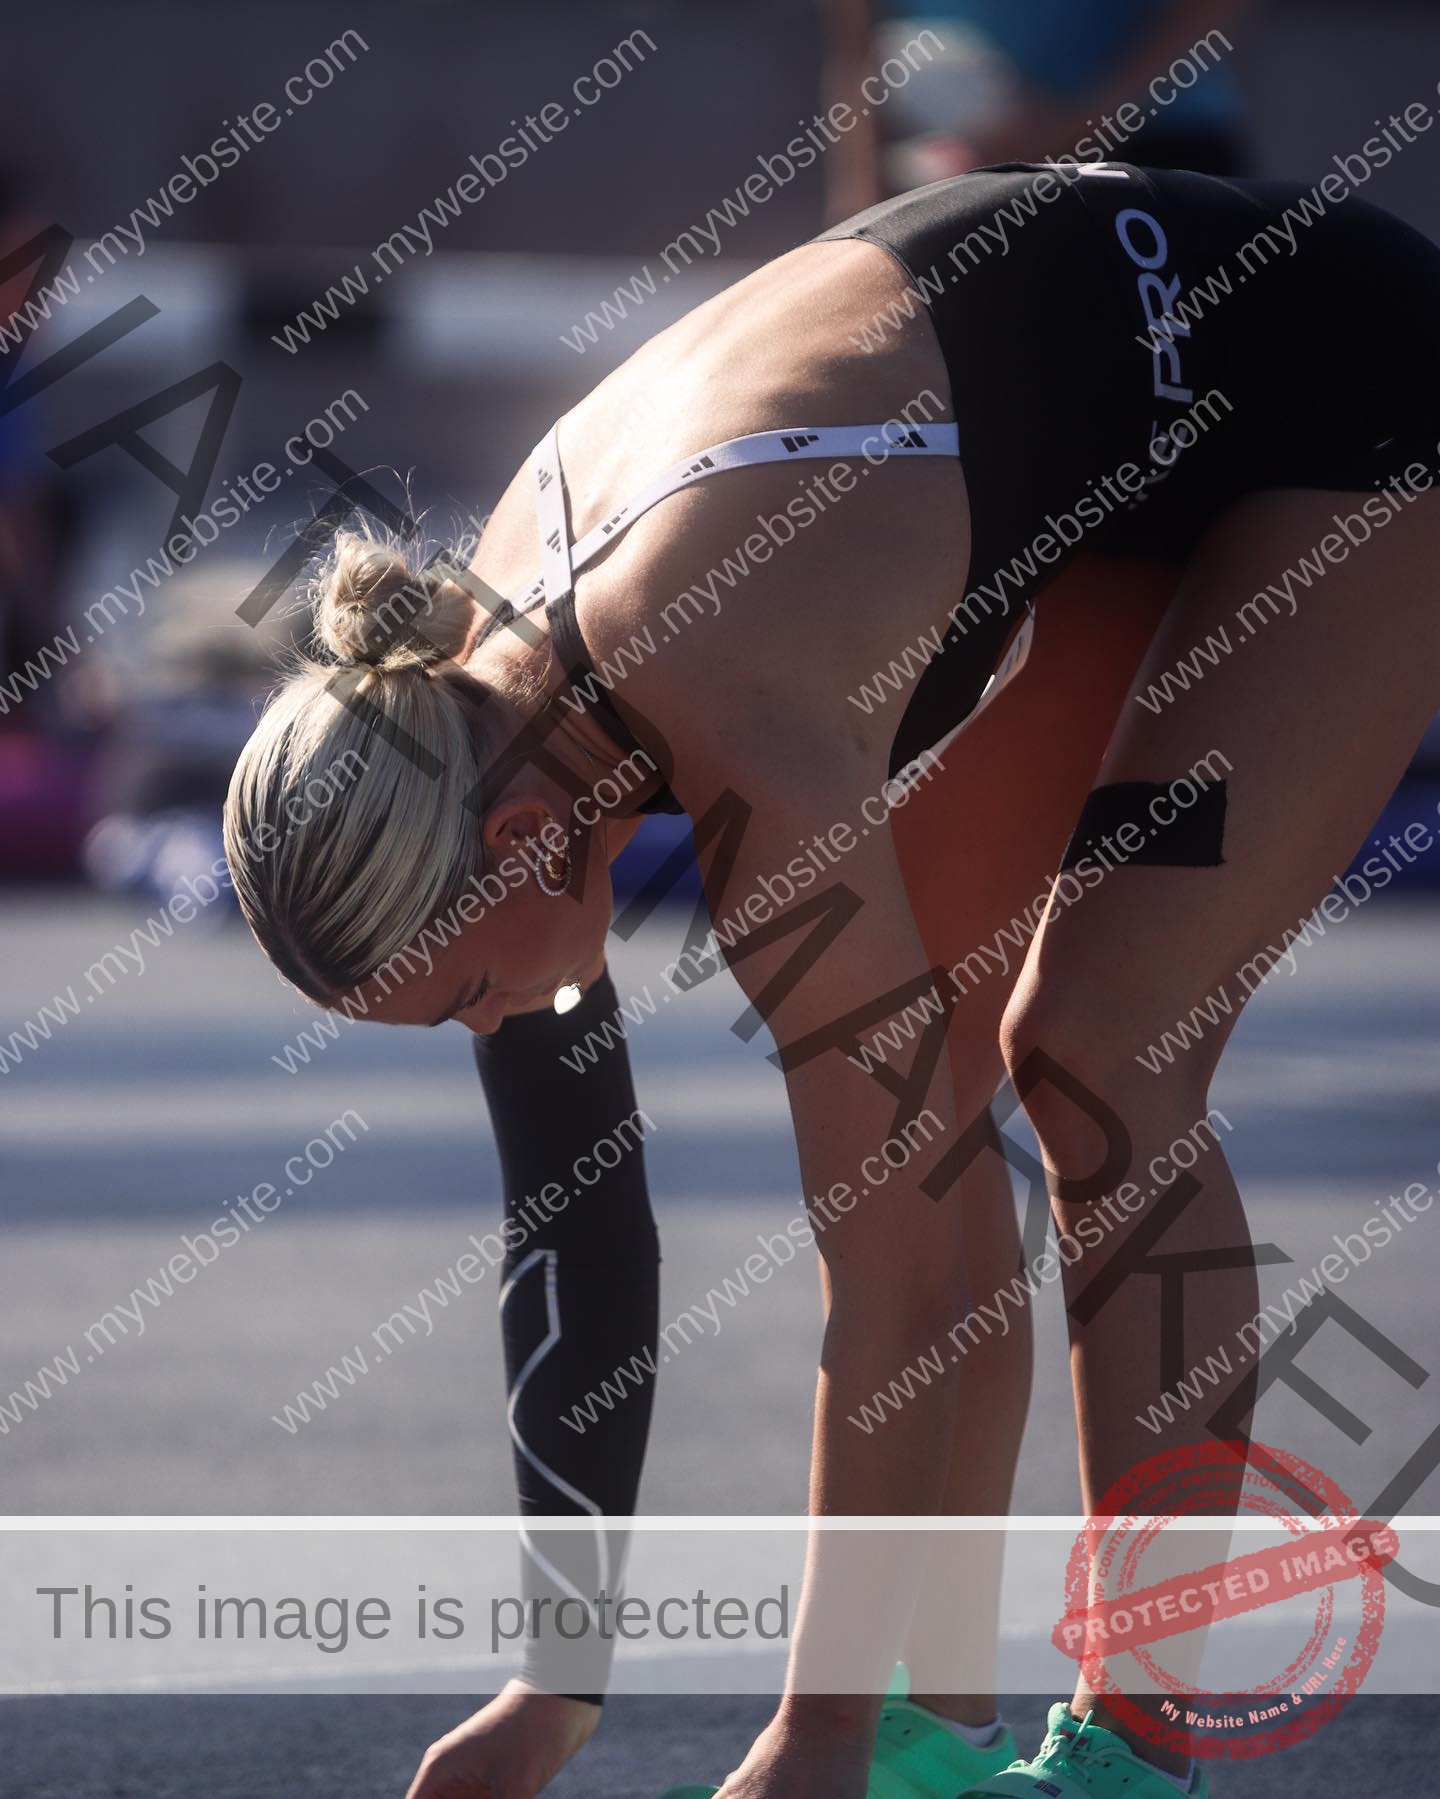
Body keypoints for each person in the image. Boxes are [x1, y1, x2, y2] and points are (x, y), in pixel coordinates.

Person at [224, 160, 1440, 1799]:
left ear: (525, 847)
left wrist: (809, 1734)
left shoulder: (728, 707)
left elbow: (898, 1300)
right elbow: (576, 1225)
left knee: (1095, 1061)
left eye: (463, 1005)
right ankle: (939, 1739)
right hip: (1114, 449)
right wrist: (555, 1688)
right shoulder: (464, 717)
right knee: (931, 1101)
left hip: (1342, 390)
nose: (493, 1032)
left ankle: (1138, 1760)